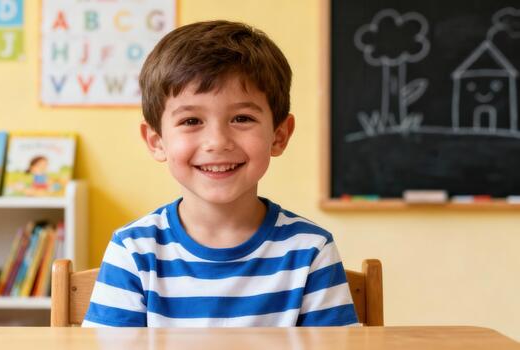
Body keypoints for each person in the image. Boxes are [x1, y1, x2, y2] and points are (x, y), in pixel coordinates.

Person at [83, 20, 358, 327]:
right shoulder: (133, 250)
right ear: (156, 141)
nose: (217, 142)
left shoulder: (310, 250)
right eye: (191, 121)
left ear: (279, 135)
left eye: (241, 118)